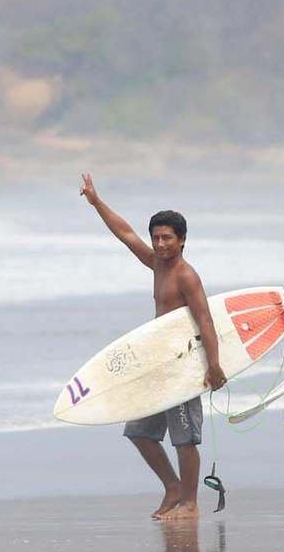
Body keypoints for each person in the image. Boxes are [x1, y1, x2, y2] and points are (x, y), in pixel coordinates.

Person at [79, 173, 226, 520]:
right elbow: (125, 234)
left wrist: (214, 365)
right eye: (156, 238)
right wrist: (96, 202)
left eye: (167, 239)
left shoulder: (186, 276)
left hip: (184, 365)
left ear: (183, 241)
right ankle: (173, 488)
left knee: (184, 437)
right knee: (140, 432)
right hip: (158, 364)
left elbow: (206, 320)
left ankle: (190, 503)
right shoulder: (157, 264)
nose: (160, 244)